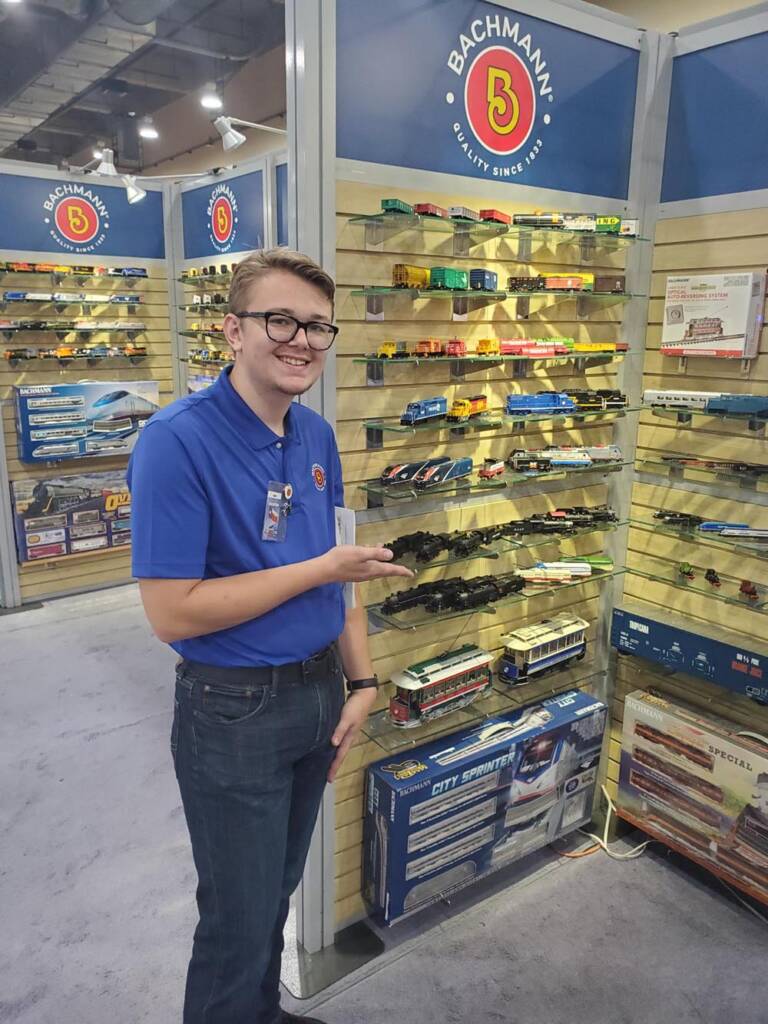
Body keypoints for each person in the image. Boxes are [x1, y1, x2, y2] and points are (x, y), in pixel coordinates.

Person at [127, 248, 413, 1024]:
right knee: (236, 919)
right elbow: (172, 613)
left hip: (319, 693)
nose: (302, 341)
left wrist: (361, 682)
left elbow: (344, 571)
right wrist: (318, 568)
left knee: (275, 894)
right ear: (232, 331)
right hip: (233, 710)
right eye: (280, 319)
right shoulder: (175, 441)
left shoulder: (315, 436)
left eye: (318, 326)